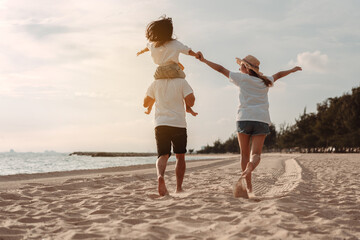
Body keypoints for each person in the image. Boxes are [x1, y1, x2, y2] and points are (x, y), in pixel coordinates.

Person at [198, 53, 302, 198]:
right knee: (256, 155)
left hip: (244, 118)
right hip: (261, 119)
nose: (239, 67)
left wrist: (204, 60)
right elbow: (278, 74)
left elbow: (221, 69)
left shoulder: (241, 78)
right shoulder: (265, 81)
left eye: (240, 65)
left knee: (244, 154)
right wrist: (292, 70)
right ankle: (251, 166)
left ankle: (249, 187)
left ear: (246, 68)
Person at [141, 16, 202, 196]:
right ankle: (178, 187)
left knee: (163, 156)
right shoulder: (182, 82)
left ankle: (160, 175)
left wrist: (151, 103)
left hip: (160, 124)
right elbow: (187, 50)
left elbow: (145, 102)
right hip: (178, 123)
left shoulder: (154, 83)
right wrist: (197, 55)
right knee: (180, 156)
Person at [137, 16, 199, 116]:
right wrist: (196, 54)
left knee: (157, 89)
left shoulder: (153, 44)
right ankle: (188, 107)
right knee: (183, 87)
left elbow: (147, 47)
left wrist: (141, 51)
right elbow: (187, 50)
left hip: (159, 71)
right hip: (173, 69)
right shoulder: (175, 43)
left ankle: (150, 107)